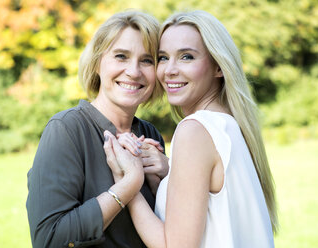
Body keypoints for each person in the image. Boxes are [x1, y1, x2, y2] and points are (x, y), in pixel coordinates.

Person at [103, 10, 278, 248]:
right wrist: (167, 178)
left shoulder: (195, 131)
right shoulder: (229, 126)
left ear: (218, 67)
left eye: (186, 57)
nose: (169, 70)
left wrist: (129, 183)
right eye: (163, 58)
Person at [26, 10, 169, 248]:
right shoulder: (66, 130)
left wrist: (166, 177)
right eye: (121, 56)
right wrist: (128, 185)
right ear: (97, 63)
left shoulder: (150, 134)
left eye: (147, 60)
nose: (134, 71)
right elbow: (49, 239)